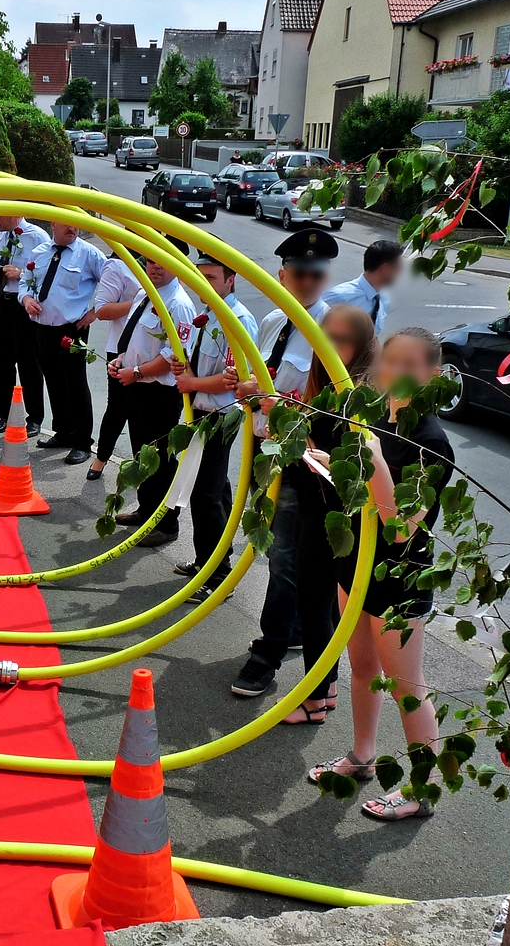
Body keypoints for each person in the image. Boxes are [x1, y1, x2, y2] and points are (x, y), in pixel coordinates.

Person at [307, 327, 455, 822]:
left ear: (433, 374)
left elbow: (399, 530)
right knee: (364, 671)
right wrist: (333, 464)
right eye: (391, 361)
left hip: (400, 580)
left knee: (406, 685)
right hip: (355, 568)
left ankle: (420, 790)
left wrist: (372, 467)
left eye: (412, 365)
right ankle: (363, 755)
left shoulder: (431, 441)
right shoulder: (377, 420)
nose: (397, 373)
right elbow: (361, 497)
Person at [227, 226, 338, 698]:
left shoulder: (332, 332)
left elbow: (329, 409)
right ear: (283, 275)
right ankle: (292, 631)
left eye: (317, 274)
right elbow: (259, 385)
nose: (308, 281)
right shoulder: (274, 321)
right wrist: (245, 389)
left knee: (286, 562)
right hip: (265, 454)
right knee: (277, 552)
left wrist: (272, 402)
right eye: (300, 273)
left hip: (300, 462)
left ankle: (266, 655)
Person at [270, 305, 377, 727]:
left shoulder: (363, 396)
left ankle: (316, 699)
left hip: (342, 519)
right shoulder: (328, 387)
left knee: (316, 604)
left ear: (364, 345)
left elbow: (367, 470)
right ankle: (324, 688)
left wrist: (326, 459)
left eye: (342, 339)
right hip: (320, 512)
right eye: (324, 338)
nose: (330, 347)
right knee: (317, 603)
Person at [168, 252, 258, 601]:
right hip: (203, 413)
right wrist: (184, 369)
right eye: (200, 276)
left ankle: (217, 575)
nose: (204, 284)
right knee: (215, 491)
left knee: (206, 494)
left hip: (220, 417)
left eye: (212, 277)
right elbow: (200, 365)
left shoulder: (238, 320)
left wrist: (191, 384)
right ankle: (209, 562)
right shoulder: (208, 316)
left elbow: (234, 379)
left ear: (230, 280)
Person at [109, 239, 195, 548]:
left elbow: (174, 356)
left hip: (159, 393)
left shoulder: (179, 304)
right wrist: (122, 360)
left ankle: (166, 524)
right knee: (141, 454)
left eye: (162, 261)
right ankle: (147, 511)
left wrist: (136, 372)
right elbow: (135, 340)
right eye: (150, 260)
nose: (154, 266)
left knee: (161, 460)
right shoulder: (146, 294)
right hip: (137, 388)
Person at [20, 221, 105, 465]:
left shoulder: (89, 254)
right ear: (53, 224)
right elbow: (26, 281)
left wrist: (94, 312)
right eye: (66, 224)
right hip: (42, 327)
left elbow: (113, 283)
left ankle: (82, 442)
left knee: (76, 384)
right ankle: (64, 432)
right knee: (54, 381)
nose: (72, 228)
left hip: (72, 329)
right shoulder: (40, 252)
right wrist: (26, 298)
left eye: (76, 224)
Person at [0, 215, 49, 435]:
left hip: (24, 307)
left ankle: (34, 418)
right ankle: (5, 415)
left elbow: (45, 274)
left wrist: (20, 274)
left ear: (12, 213)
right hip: (1, 303)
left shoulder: (37, 236)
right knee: (0, 364)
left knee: (29, 364)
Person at [88, 256, 141, 481]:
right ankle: (101, 457)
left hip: (151, 350)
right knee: (118, 408)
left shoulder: (159, 261)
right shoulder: (119, 263)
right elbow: (102, 310)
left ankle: (142, 464)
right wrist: (144, 301)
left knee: (143, 412)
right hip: (122, 348)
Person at [324, 240, 403, 335]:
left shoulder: (383, 299)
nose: (400, 273)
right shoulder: (341, 296)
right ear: (385, 268)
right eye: (399, 268)